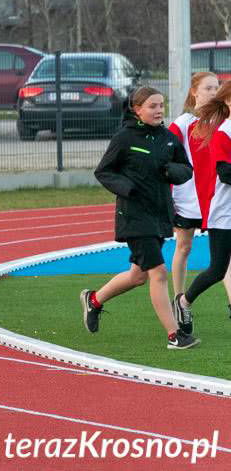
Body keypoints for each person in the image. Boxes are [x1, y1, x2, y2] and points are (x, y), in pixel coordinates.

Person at [83, 86, 198, 349]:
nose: (158, 110)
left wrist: (172, 171)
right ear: (137, 110)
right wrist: (128, 188)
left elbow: (186, 169)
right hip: (134, 217)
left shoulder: (168, 138)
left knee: (138, 276)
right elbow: (104, 172)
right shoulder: (125, 138)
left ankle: (94, 300)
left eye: (161, 105)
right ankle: (174, 335)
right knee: (158, 273)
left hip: (160, 216)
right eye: (152, 106)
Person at [174, 80, 231, 331]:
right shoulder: (223, 133)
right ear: (228, 101)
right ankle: (183, 302)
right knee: (217, 270)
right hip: (224, 214)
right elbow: (225, 173)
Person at [168, 72, 219, 299]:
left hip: (215, 198)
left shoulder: (223, 122)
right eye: (208, 88)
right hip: (187, 200)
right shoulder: (182, 124)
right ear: (194, 92)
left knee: (223, 255)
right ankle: (179, 299)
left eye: (216, 88)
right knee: (184, 247)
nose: (214, 92)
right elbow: (167, 161)